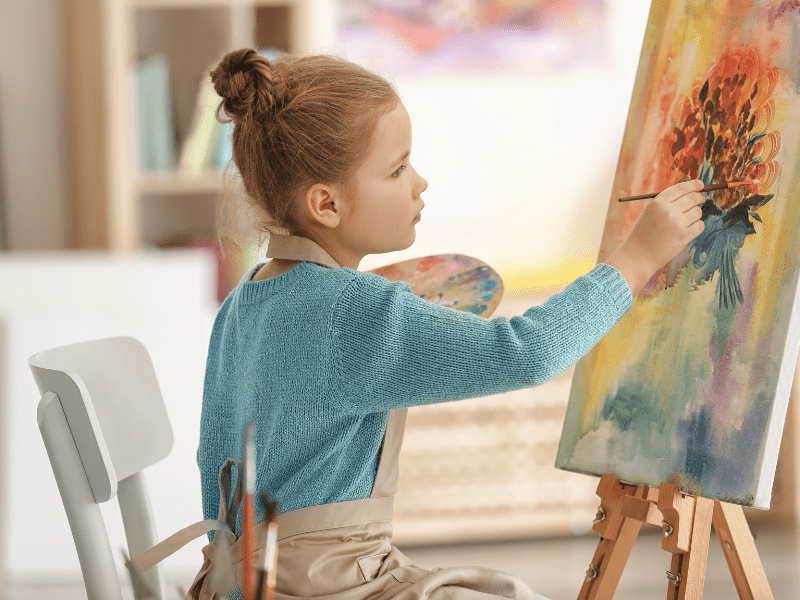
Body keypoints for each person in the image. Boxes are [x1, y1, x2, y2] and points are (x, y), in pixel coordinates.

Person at [193, 47, 706, 600]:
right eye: (396, 169)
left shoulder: (244, 303)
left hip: (236, 582)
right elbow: (527, 352)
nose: (420, 183)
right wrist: (635, 261)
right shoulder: (351, 309)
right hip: (323, 587)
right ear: (326, 205)